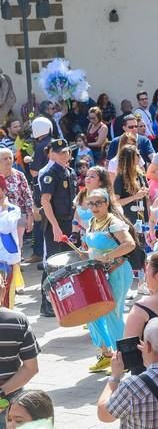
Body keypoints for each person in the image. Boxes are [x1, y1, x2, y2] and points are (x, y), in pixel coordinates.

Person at [82, 188, 137, 372]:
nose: (94, 207)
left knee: (113, 314)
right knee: (92, 313)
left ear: (107, 204)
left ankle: (126, 358)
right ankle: (106, 355)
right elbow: (93, 249)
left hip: (117, 272)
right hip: (98, 275)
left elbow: (129, 244)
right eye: (91, 203)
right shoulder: (91, 222)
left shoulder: (113, 222)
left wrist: (109, 257)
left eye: (99, 203)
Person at [39, 139, 76, 317]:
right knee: (53, 263)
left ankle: (64, 300)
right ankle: (46, 303)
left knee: (67, 263)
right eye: (60, 152)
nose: (64, 155)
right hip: (56, 223)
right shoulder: (50, 173)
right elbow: (45, 201)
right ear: (52, 153)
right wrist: (55, 226)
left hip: (68, 223)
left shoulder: (69, 172)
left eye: (66, 152)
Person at [0, 276, 39, 429]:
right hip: (9, 402)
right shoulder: (18, 320)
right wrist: (2, 393)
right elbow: (31, 368)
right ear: (3, 289)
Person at [0, 174, 26, 309]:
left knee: (5, 298)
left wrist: (3, 208)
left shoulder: (13, 209)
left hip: (6, 259)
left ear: (4, 190)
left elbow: (4, 228)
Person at [113, 145, 149, 229]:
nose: (140, 157)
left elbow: (147, 199)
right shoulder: (120, 178)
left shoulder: (140, 175)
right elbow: (116, 202)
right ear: (130, 158)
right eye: (137, 155)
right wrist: (134, 197)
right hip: (128, 222)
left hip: (143, 220)